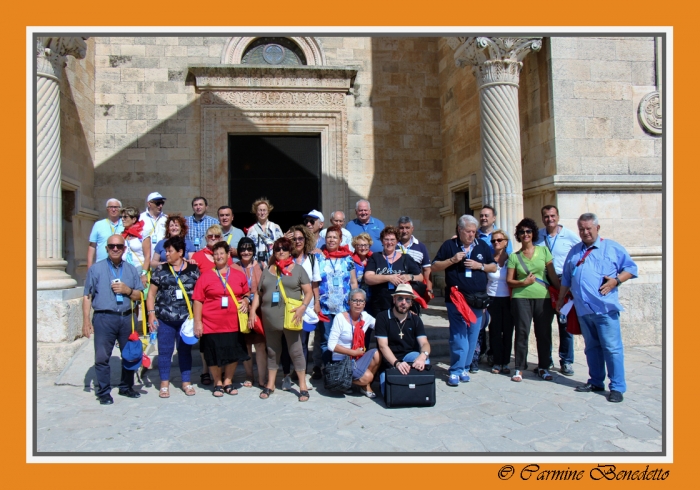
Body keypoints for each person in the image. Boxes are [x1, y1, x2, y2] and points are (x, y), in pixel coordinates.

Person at [557, 213, 637, 403]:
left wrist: (616, 281)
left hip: (605, 310)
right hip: (583, 310)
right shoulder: (575, 251)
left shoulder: (611, 247)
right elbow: (567, 278)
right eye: (582, 229)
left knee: (612, 348)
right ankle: (595, 381)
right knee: (591, 347)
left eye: (588, 229)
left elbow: (631, 268)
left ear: (597, 229)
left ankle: (617, 387)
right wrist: (560, 299)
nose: (585, 232)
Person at [431, 215, 497, 386]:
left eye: (474, 232)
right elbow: (435, 266)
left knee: (473, 334)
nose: (471, 235)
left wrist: (479, 266)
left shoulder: (482, 245)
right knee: (459, 335)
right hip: (456, 298)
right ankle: (455, 370)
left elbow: (493, 266)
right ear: (460, 230)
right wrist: (452, 260)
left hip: (477, 299)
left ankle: (465, 367)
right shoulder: (449, 245)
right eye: (468, 231)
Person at [82, 234, 144, 405]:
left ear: (124, 249)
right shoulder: (96, 269)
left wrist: (127, 290)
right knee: (102, 357)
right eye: (111, 246)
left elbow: (140, 294)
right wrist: (86, 321)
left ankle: (126, 387)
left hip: (126, 317)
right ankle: (103, 391)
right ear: (106, 248)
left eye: (118, 246)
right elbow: (87, 295)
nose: (115, 249)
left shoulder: (131, 269)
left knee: (129, 355)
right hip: (104, 318)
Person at [249, 237, 313, 401]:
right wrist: (252, 312)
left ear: (290, 250)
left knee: (296, 351)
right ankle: (270, 384)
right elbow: (258, 293)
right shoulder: (268, 270)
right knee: (272, 351)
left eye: (284, 248)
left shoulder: (298, 269)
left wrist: (302, 307)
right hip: (270, 319)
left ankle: (302, 386)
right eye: (277, 249)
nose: (281, 252)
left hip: (291, 317)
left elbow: (308, 292)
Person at [192, 241, 251, 397]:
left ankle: (228, 381)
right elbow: (198, 299)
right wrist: (197, 322)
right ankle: (217, 382)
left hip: (232, 323)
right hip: (211, 323)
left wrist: (245, 301)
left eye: (221, 253)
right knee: (213, 354)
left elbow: (246, 293)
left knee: (232, 352)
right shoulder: (205, 276)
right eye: (215, 254)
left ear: (228, 255)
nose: (218, 256)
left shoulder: (238, 274)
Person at [506, 218, 561, 383]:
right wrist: (523, 282)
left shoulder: (544, 251)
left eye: (528, 231)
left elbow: (551, 275)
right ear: (518, 235)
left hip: (542, 297)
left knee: (543, 333)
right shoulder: (514, 257)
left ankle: (543, 367)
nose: (525, 234)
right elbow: (509, 281)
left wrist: (563, 293)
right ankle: (519, 368)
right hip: (521, 298)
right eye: (522, 232)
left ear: (533, 233)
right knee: (522, 332)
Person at [146, 236, 200, 398]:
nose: (166, 254)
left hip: (185, 320)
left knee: (184, 351)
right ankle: (164, 384)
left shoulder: (193, 270)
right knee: (164, 351)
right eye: (165, 251)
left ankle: (186, 382)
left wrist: (198, 318)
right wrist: (151, 314)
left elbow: (198, 296)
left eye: (170, 251)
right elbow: (151, 294)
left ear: (180, 252)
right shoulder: (161, 270)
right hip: (165, 319)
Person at [535, 204, 581, 376]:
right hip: (545, 284)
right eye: (546, 216)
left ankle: (566, 361)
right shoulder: (538, 236)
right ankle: (546, 360)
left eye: (553, 216)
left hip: (563, 283)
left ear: (558, 217)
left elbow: (580, 253)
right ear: (543, 218)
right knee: (544, 324)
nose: (550, 219)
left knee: (565, 324)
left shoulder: (569, 235)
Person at [311, 225, 358, 380]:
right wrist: (316, 302)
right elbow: (315, 282)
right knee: (325, 339)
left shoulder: (348, 258)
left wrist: (355, 303)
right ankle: (328, 369)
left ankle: (343, 369)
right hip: (325, 307)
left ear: (340, 240)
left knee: (343, 339)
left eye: (334, 237)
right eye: (329, 237)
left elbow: (353, 282)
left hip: (343, 308)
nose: (331, 240)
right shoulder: (318, 257)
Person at [190, 224, 234, 385]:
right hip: (205, 302)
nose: (214, 239)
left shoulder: (225, 255)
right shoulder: (198, 256)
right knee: (206, 342)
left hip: (222, 306)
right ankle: (205, 370)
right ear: (206, 238)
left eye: (217, 236)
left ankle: (221, 372)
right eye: (211, 237)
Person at [280, 225, 321, 389]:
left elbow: (315, 283)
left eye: (300, 238)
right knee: (287, 342)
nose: (297, 241)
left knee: (302, 342)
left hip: (306, 306)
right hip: (287, 306)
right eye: (294, 239)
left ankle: (301, 375)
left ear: (306, 240)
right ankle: (287, 374)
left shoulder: (312, 259)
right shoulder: (284, 259)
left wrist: (317, 302)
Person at [375, 284, 431, 395]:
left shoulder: (415, 319)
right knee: (387, 393)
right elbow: (383, 346)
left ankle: (416, 386)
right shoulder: (383, 317)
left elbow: (425, 343)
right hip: (389, 361)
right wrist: (397, 363)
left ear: (411, 303)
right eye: (400, 298)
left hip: (408, 357)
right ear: (394, 299)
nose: (403, 302)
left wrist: (422, 356)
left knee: (425, 360)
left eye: (407, 299)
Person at [327, 289, 381, 398]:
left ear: (364, 304)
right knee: (367, 377)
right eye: (355, 300)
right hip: (342, 361)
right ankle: (351, 381)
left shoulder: (366, 317)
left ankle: (363, 385)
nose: (358, 304)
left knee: (377, 354)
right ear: (349, 302)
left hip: (357, 358)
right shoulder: (340, 318)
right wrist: (352, 352)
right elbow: (331, 345)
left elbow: (382, 326)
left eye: (361, 301)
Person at [232, 237, 267, 389]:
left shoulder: (261, 265)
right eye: (243, 249)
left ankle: (262, 377)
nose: (246, 252)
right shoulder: (234, 267)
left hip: (258, 309)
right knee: (245, 345)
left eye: (249, 249)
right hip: (241, 309)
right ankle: (249, 375)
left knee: (260, 345)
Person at [363, 226, 422, 316]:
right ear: (382, 241)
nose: (389, 242)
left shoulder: (405, 258)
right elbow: (368, 278)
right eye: (386, 239)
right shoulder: (375, 257)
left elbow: (420, 277)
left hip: (402, 305)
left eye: (392, 240)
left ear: (397, 241)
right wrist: (389, 278)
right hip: (379, 304)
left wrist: (409, 277)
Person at [485, 230, 515, 375]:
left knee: (508, 330)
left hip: (508, 298)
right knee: (495, 330)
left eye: (499, 240)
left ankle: (506, 361)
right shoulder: (488, 259)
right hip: (492, 298)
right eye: (493, 241)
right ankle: (497, 361)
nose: (496, 243)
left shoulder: (512, 259)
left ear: (506, 242)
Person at [397, 216, 433, 300]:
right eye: (401, 228)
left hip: (415, 289)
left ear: (412, 229)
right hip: (397, 288)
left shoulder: (421, 247)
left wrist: (429, 289)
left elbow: (427, 269)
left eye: (407, 228)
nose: (404, 231)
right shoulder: (392, 246)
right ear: (397, 229)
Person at [87, 198, 124, 268]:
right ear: (107, 209)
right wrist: (89, 266)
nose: (113, 209)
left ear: (120, 209)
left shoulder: (125, 224)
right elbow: (92, 246)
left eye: (116, 207)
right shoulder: (98, 224)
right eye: (111, 207)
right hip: (102, 265)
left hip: (121, 264)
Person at [120, 206, 151, 288]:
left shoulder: (143, 234)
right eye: (121, 217)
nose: (122, 219)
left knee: (139, 295)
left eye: (125, 217)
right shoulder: (122, 235)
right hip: (124, 269)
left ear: (134, 219)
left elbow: (147, 256)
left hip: (139, 268)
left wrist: (144, 273)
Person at [246, 197, 284, 264]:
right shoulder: (251, 230)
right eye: (260, 210)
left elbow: (282, 246)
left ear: (268, 212)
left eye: (264, 210)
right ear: (256, 212)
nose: (262, 213)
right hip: (256, 264)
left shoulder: (275, 227)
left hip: (273, 263)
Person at [350, 232, 374, 313]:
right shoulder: (350, 261)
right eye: (360, 245)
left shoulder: (374, 260)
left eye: (366, 245)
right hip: (358, 301)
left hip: (372, 299)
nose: (363, 248)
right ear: (355, 247)